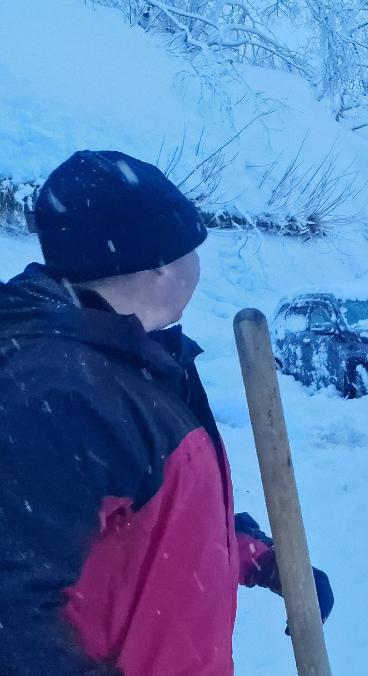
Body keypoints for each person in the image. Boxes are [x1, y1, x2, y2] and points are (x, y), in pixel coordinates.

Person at [0, 151, 333, 675]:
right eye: (194, 249)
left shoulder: (130, 363)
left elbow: (158, 528)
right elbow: (13, 612)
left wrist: (267, 559)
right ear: (159, 264)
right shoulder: (62, 390)